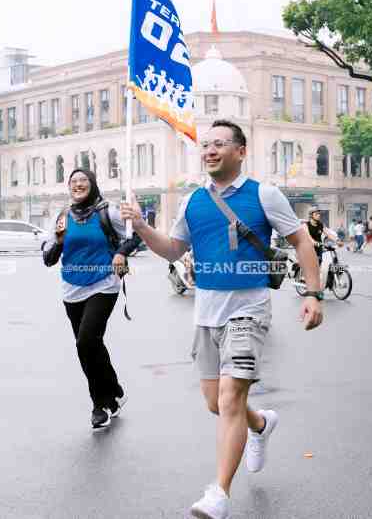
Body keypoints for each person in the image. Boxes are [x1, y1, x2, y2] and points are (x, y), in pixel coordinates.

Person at [120, 119, 323, 519]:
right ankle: (260, 424)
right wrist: (142, 226)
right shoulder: (193, 202)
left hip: (248, 311)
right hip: (206, 314)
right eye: (206, 145)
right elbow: (173, 250)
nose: (210, 151)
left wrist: (314, 294)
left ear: (240, 151)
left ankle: (219, 493)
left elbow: (302, 240)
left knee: (230, 398)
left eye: (219, 144)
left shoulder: (263, 194)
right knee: (217, 403)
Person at [43, 168, 141, 430]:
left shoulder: (107, 212)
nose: (78, 184)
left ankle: (99, 405)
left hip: (104, 283)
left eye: (83, 180)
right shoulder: (62, 216)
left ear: (93, 184)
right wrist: (58, 243)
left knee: (86, 341)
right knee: (90, 345)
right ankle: (114, 392)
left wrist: (121, 253)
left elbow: (135, 236)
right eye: (73, 181)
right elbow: (48, 256)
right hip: (71, 288)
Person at [306, 208, 338, 290]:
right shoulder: (306, 225)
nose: (319, 215)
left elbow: (328, 234)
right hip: (309, 247)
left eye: (319, 214)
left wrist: (337, 240)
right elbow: (308, 237)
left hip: (319, 247)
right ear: (311, 215)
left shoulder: (320, 224)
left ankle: (327, 282)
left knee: (325, 263)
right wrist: (314, 242)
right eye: (316, 214)